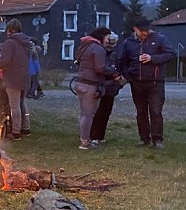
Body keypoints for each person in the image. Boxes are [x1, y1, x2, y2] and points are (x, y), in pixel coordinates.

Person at [119, 17, 176, 148]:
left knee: (156, 111)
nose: (146, 33)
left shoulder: (160, 39)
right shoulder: (128, 42)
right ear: (135, 29)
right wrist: (129, 76)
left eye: (147, 30)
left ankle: (157, 140)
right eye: (142, 31)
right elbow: (123, 61)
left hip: (155, 82)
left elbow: (171, 54)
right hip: (137, 83)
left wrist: (152, 58)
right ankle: (144, 139)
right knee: (141, 112)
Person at [74, 26, 114, 150]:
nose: (108, 40)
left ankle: (84, 139)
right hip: (91, 85)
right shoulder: (98, 48)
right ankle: (85, 142)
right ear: (102, 36)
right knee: (88, 115)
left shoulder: (85, 46)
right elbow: (100, 68)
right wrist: (112, 70)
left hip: (81, 83)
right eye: (108, 37)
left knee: (84, 114)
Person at [0, 18, 31, 140]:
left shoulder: (10, 43)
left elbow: (5, 61)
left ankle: (16, 132)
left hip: (13, 78)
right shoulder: (26, 42)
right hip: (25, 77)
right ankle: (26, 128)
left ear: (10, 30)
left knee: (14, 105)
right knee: (22, 103)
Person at [89, 33, 123, 146]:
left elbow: (117, 68)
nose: (111, 45)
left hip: (111, 87)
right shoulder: (100, 53)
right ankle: (93, 136)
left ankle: (100, 136)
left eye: (113, 42)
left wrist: (118, 82)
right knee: (98, 112)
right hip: (100, 85)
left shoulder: (114, 55)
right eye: (109, 41)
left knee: (106, 112)